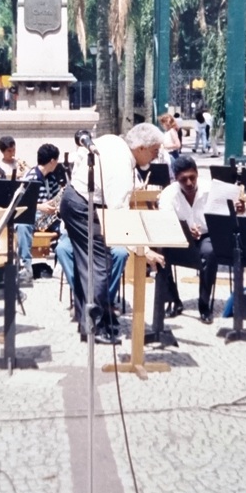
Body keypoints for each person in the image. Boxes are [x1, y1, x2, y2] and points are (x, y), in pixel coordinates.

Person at [58, 123, 164, 344]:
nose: (156, 157)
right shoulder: (122, 169)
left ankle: (87, 321)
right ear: (142, 148)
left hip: (73, 198)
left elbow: (80, 158)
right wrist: (143, 250)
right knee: (100, 264)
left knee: (85, 264)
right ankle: (95, 327)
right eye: (155, 151)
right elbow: (119, 218)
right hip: (83, 206)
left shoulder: (113, 140)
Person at [155, 155, 222, 324]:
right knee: (160, 252)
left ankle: (204, 304)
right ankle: (173, 300)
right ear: (176, 179)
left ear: (197, 174)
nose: (189, 183)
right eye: (183, 180)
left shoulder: (211, 189)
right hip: (179, 235)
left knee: (210, 252)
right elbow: (165, 222)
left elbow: (224, 216)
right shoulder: (169, 193)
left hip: (207, 234)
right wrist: (184, 230)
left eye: (192, 177)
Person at [15, 143, 63, 284]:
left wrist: (57, 206)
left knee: (68, 227)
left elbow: (56, 198)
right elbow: (21, 203)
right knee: (22, 225)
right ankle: (27, 266)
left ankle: (61, 265)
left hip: (49, 217)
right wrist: (41, 207)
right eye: (57, 160)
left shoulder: (52, 178)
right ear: (52, 161)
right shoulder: (30, 177)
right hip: (34, 214)